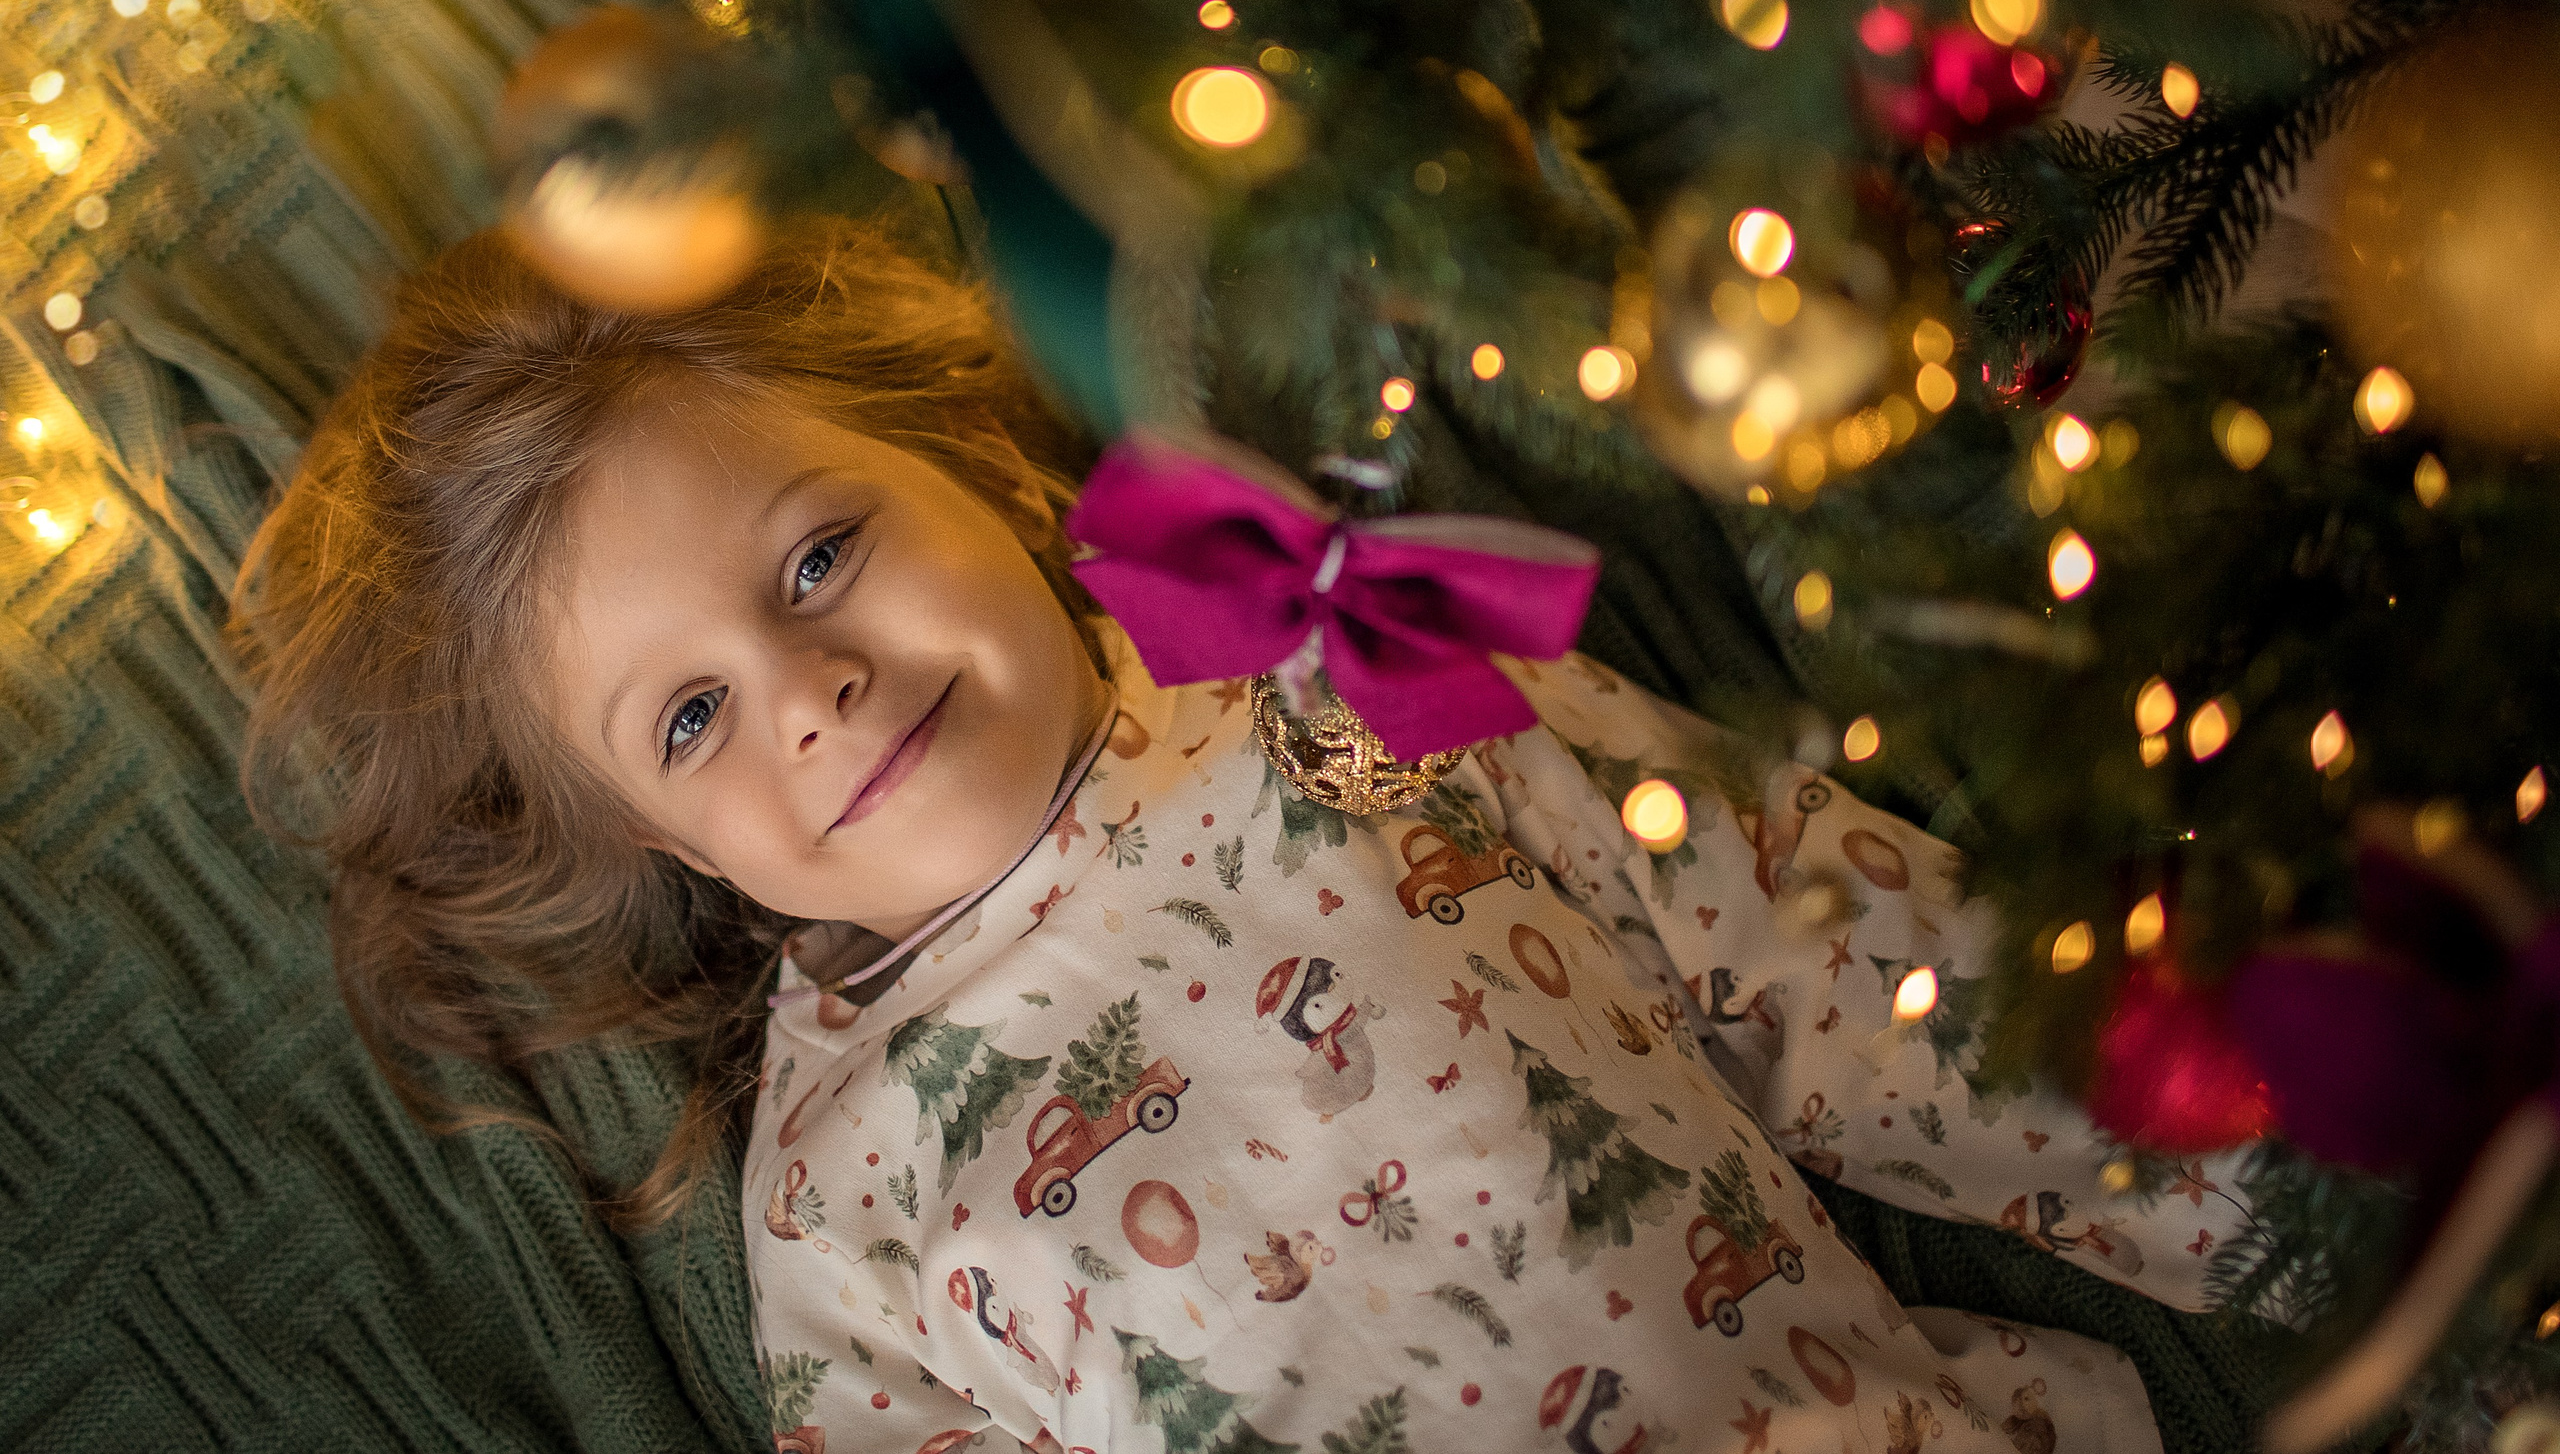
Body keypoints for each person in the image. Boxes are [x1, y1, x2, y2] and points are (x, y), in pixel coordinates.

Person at [237, 218, 2255, 1454]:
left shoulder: (1338, 664)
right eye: (690, 719)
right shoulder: (835, 1207)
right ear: (662, 842)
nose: (810, 685)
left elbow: (1838, 959)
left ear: (968, 456)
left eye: (822, 550)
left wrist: (2300, 1169)